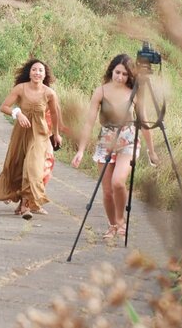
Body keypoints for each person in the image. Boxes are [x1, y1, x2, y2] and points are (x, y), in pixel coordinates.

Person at [71, 54, 159, 239]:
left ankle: (121, 222)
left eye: (125, 74)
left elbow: (143, 123)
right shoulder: (101, 91)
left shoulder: (134, 93)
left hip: (128, 139)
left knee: (118, 182)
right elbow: (89, 123)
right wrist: (80, 150)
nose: (120, 77)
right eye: (117, 72)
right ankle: (112, 225)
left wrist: (151, 151)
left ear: (130, 76)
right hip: (106, 140)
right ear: (111, 71)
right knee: (107, 190)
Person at [0, 58, 62, 220]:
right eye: (34, 69)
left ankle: (25, 206)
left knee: (33, 167)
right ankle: (22, 203)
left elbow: (55, 114)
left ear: (45, 75)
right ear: (29, 73)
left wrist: (56, 134)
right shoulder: (20, 89)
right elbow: (4, 107)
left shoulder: (49, 93)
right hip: (21, 133)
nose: (37, 72)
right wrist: (18, 113)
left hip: (40, 134)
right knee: (17, 165)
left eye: (40, 70)